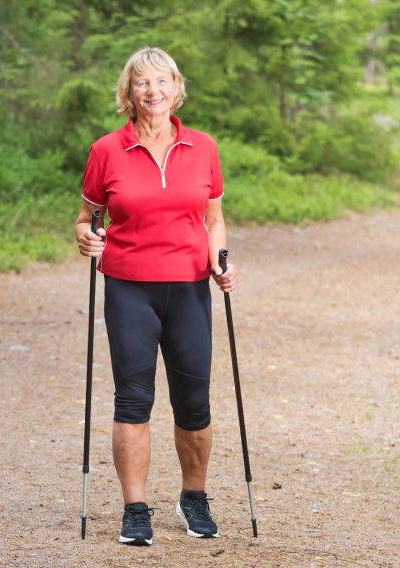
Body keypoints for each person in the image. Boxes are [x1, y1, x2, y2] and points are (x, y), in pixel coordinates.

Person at [74, 47, 237, 546]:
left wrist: (221, 260)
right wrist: (86, 237)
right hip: (128, 288)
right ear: (129, 92)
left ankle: (194, 498)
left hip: (189, 288)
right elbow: (87, 219)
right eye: (142, 83)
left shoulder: (203, 146)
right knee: (133, 400)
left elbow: (213, 220)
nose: (153, 91)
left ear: (176, 86)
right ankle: (135, 509)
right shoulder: (106, 150)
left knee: (194, 403)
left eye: (162, 81)